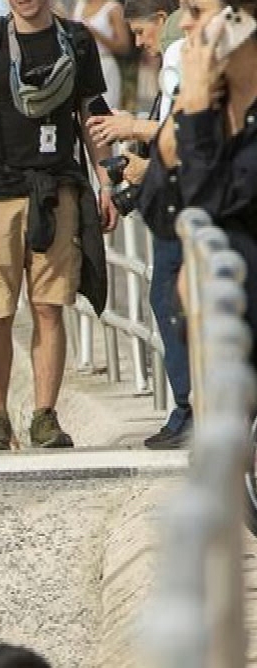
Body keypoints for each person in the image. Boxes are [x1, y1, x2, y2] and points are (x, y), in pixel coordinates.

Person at [0, 0, 117, 450]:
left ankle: (45, 417)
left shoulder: (77, 40)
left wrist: (107, 183)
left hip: (56, 190)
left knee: (50, 307)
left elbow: (92, 112)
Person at [89, 0, 201, 447]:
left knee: (172, 303)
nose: (139, 43)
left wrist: (134, 129)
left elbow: (183, 132)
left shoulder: (181, 53)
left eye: (140, 32)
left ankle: (190, 410)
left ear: (162, 20)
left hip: (186, 202)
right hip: (182, 199)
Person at [173, 1, 257, 352]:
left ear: (238, 20)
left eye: (195, 11)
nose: (183, 25)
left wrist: (193, 117)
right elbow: (160, 213)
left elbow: (209, 205)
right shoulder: (215, 101)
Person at [75, 0, 133, 107]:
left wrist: (95, 33)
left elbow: (124, 46)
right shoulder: (79, 5)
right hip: (82, 65)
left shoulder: (113, 8)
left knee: (104, 110)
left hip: (104, 64)